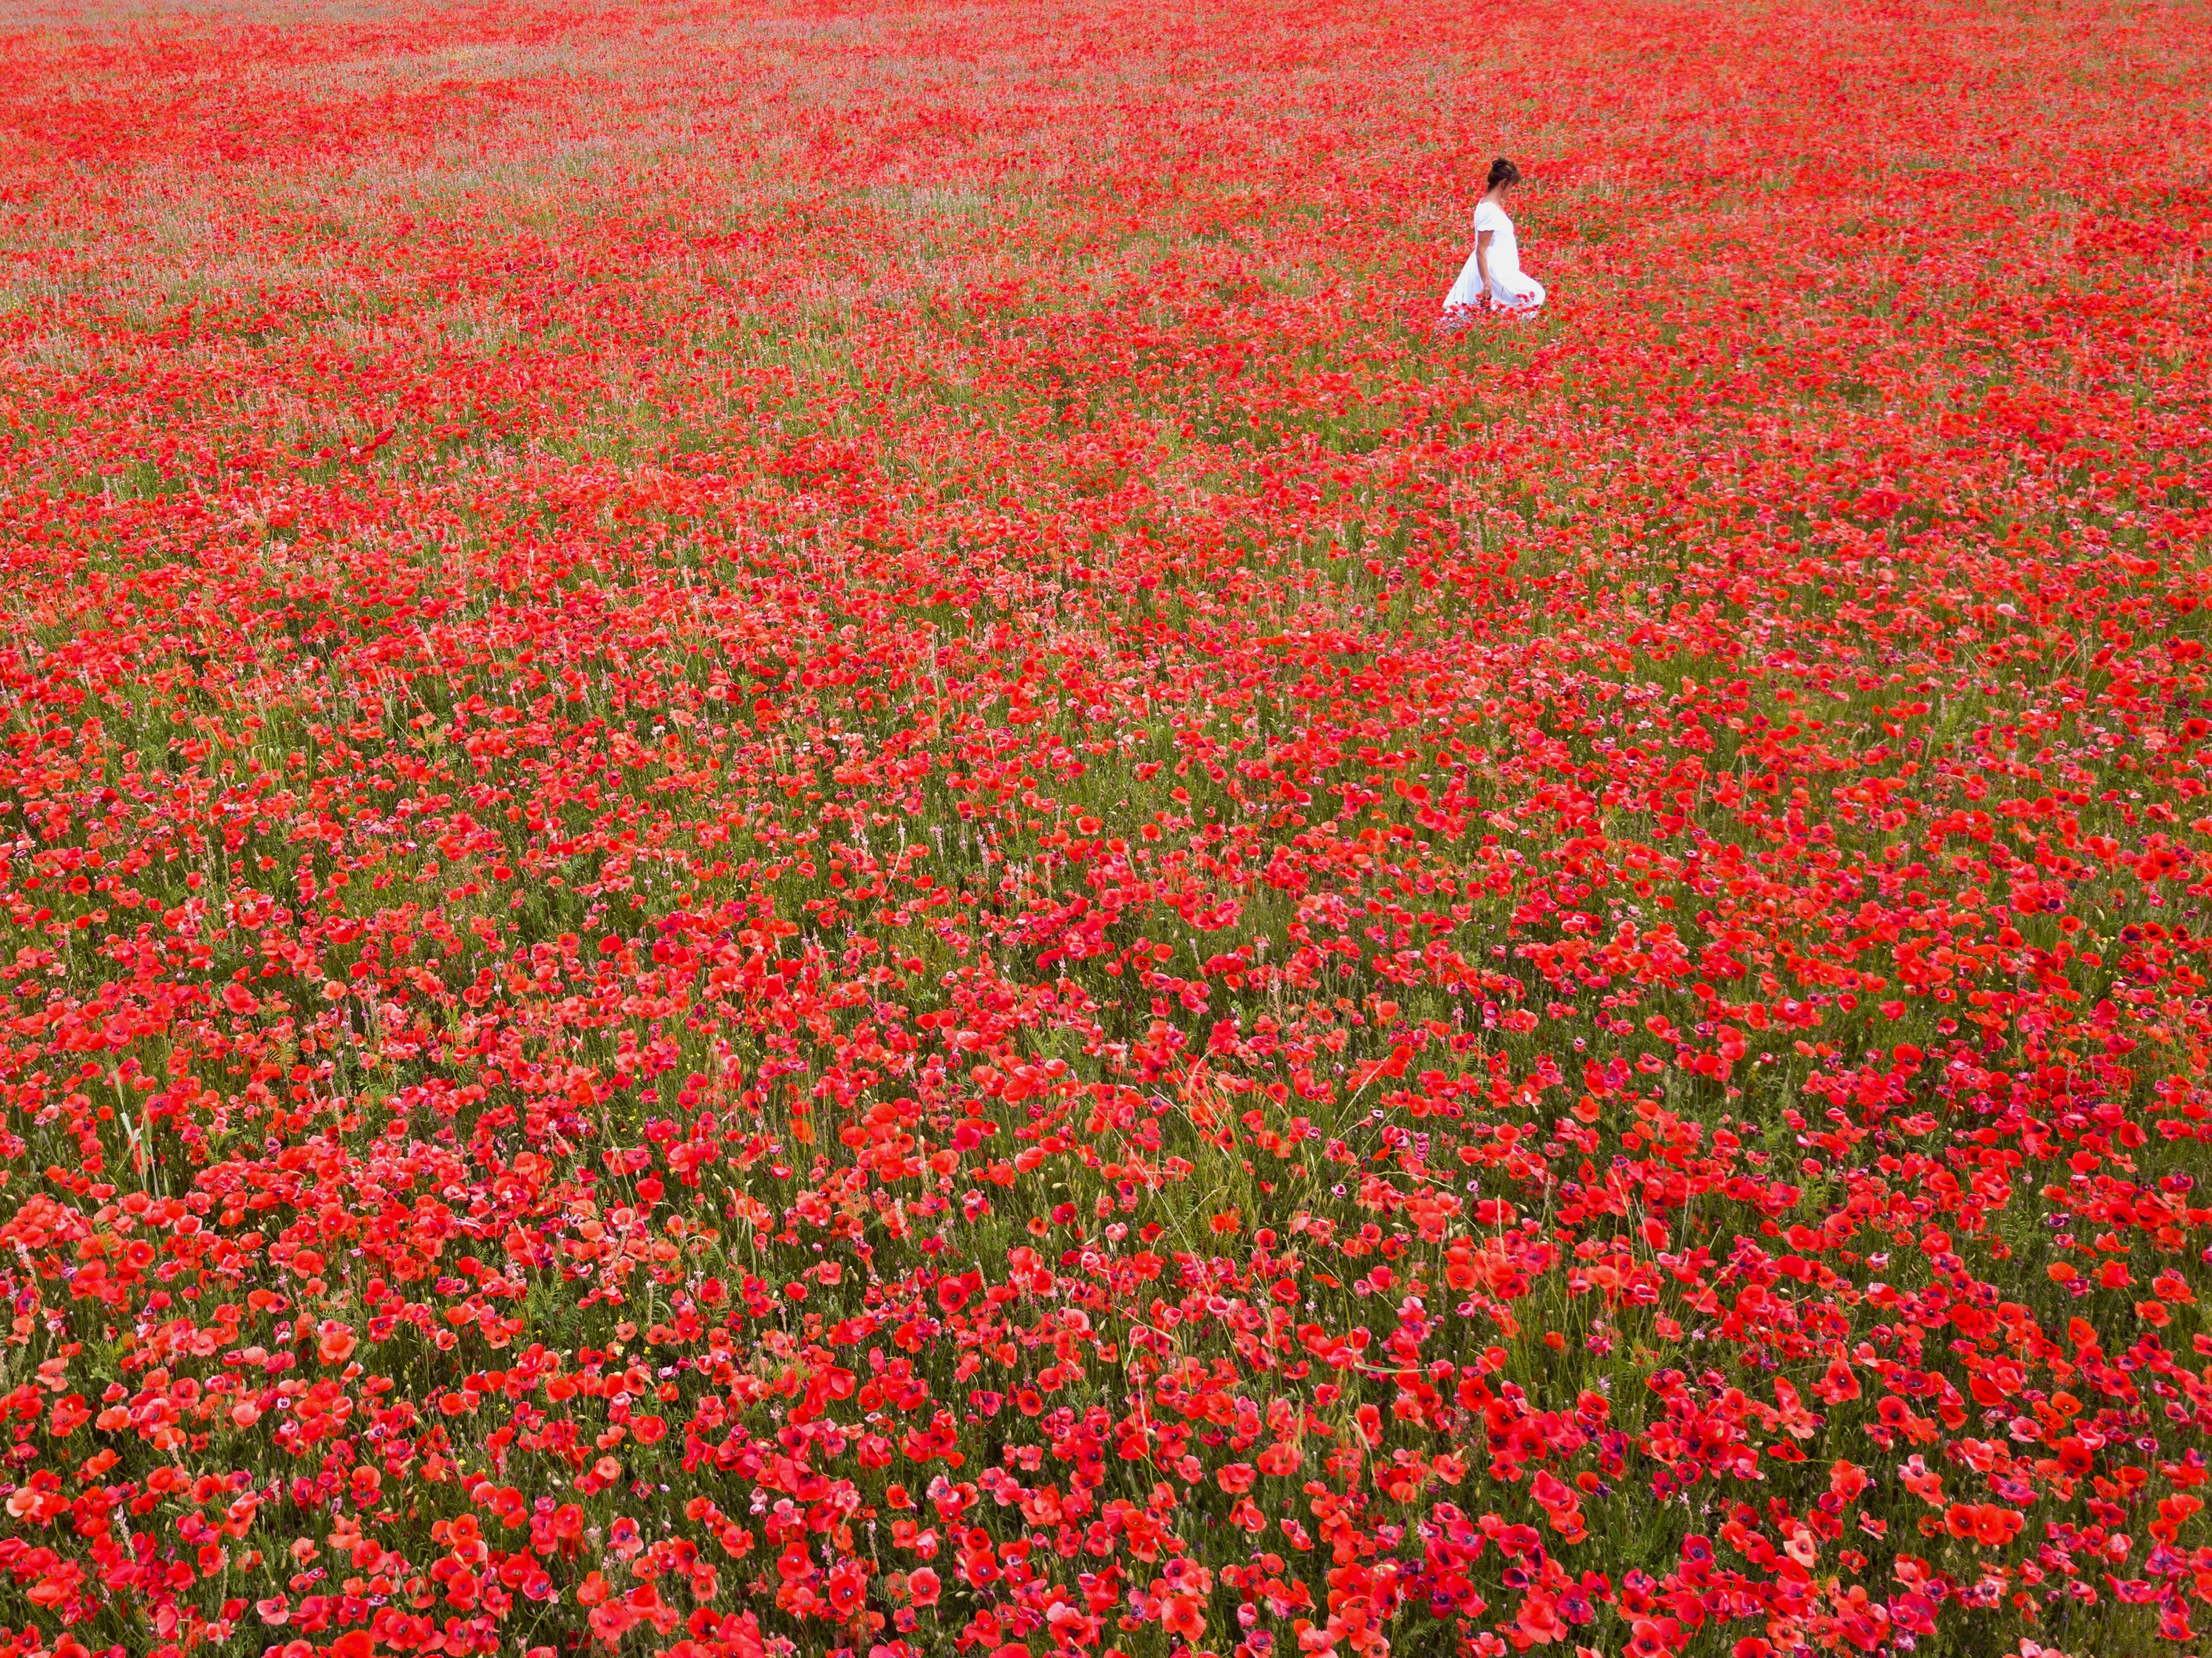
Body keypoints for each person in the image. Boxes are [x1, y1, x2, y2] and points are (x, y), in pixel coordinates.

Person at [1443, 157, 1546, 319]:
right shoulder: (1489, 210)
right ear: (1503, 183)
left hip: (1500, 267)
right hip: (1495, 270)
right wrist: (1487, 282)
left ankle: (1507, 332)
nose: (1511, 191)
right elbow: (1481, 250)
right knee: (1535, 294)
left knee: (1486, 312)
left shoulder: (1488, 205)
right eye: (1511, 187)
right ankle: (1515, 330)